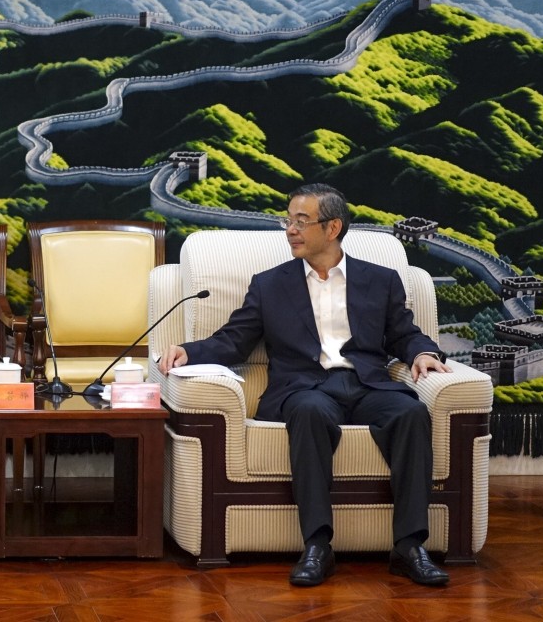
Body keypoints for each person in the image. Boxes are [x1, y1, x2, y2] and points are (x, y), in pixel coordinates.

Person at [158, 183, 453, 587]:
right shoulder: (270, 284)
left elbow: (403, 334)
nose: (290, 230)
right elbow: (234, 340)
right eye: (288, 220)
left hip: (367, 384)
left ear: (333, 228)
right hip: (306, 388)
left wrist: (423, 353)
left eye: (301, 221)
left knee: (412, 412)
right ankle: (317, 546)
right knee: (310, 411)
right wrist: (188, 352)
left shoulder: (380, 280)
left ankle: (409, 546)